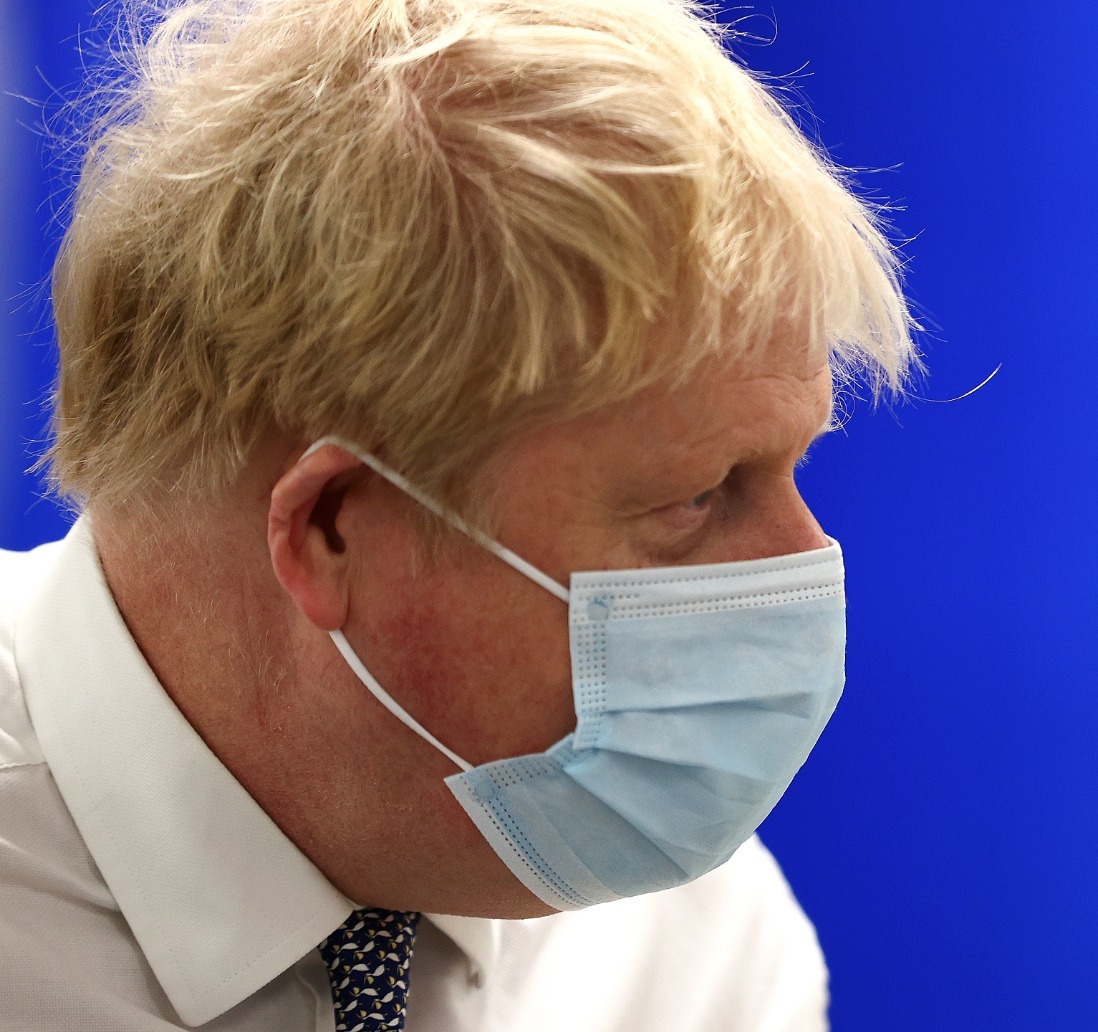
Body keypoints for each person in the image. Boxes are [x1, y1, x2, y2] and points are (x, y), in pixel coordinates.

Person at [0, 0, 917, 1028]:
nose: (803, 559)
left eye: (795, 467)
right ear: (330, 527)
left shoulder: (686, 933)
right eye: (698, 496)